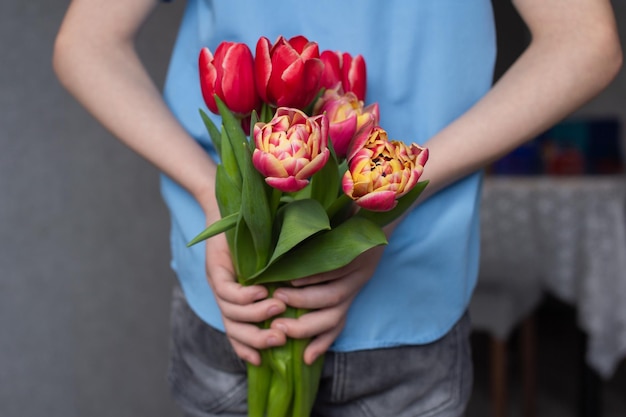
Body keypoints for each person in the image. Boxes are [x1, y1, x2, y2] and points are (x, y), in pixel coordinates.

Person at [53, 1, 622, 416]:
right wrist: (217, 194)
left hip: (359, 313)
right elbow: (584, 41)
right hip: (248, 311)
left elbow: (85, 41)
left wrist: (383, 199)